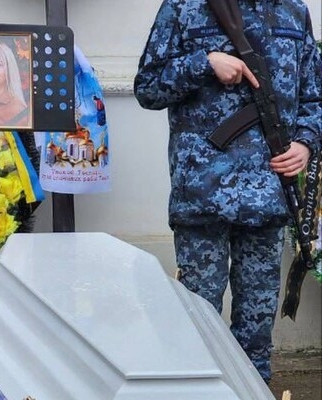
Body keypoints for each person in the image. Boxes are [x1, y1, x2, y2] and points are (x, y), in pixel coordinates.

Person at [134, 0, 321, 384]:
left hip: (269, 194)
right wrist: (203, 63)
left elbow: (314, 97)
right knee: (197, 323)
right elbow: (147, 87)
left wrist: (305, 142)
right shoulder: (184, 7)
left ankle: (253, 390)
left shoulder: (293, 10)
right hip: (202, 195)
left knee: (257, 327)